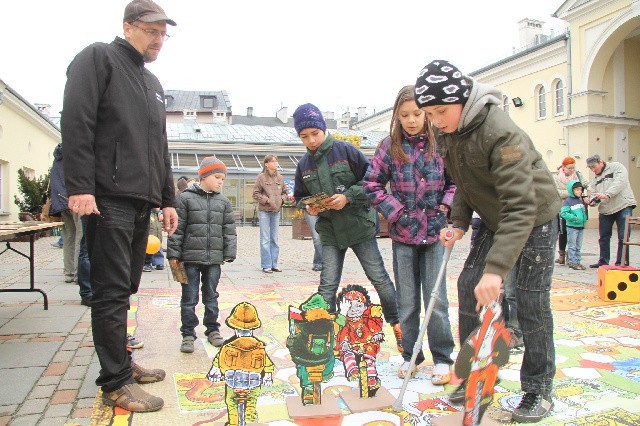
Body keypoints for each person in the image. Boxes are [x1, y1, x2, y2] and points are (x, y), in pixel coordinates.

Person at [414, 60, 561, 423]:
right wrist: (459, 222)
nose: (436, 121)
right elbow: (465, 181)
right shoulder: (450, 130)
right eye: (429, 114)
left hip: (534, 218)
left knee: (530, 302)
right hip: (494, 218)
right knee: (469, 285)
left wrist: (497, 270)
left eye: (441, 111)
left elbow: (521, 206)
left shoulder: (500, 132)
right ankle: (472, 376)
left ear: (463, 100)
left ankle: (538, 389)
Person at [61, 0, 178, 413]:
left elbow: (159, 147)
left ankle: (122, 363)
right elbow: (77, 121)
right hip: (106, 197)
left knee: (126, 287)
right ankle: (115, 383)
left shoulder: (153, 85)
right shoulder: (98, 58)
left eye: (164, 33)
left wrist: (166, 198)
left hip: (140, 201)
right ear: (128, 27)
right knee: (110, 292)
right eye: (151, 31)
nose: (159, 40)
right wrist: (79, 186)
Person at [292, 103, 403, 354]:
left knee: (380, 279)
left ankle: (399, 325)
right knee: (327, 285)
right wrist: (309, 207)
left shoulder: (346, 151)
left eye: (314, 134)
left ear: (323, 129)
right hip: (330, 231)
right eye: (304, 136)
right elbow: (299, 196)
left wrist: (348, 197)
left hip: (359, 227)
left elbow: (371, 182)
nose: (310, 140)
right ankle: (323, 335)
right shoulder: (303, 165)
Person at [363, 85, 455, 383]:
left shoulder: (441, 143)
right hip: (403, 235)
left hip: (435, 232)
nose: (412, 120)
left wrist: (444, 206)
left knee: (436, 298)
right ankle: (411, 355)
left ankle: (442, 357)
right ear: (396, 116)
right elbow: (372, 184)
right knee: (407, 301)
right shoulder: (389, 146)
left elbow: (456, 181)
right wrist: (397, 213)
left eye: (417, 113)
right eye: (405, 115)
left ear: (426, 113)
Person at [167, 157, 237, 353]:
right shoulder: (185, 198)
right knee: (189, 298)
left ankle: (213, 330)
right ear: (204, 176)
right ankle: (188, 334)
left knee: (211, 296)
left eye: (223, 178)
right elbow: (177, 229)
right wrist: (174, 255)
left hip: (214, 260)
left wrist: (229, 252)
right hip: (189, 259)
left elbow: (229, 229)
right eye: (217, 177)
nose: (220, 181)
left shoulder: (223, 202)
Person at [586, 154, 637, 267]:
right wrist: (592, 201)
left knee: (623, 236)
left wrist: (607, 194)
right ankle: (603, 261)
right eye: (590, 168)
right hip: (606, 210)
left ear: (601, 162)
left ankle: (621, 262)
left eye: (594, 166)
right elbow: (593, 194)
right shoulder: (594, 181)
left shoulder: (617, 167)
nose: (593, 170)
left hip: (623, 205)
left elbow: (620, 182)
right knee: (604, 237)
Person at [49, 143, 83, 283]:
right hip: (76, 198)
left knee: (69, 236)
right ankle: (78, 274)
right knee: (81, 237)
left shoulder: (58, 157)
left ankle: (69, 273)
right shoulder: (76, 151)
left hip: (61, 201)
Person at [252, 155, 287, 273]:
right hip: (264, 212)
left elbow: (285, 192)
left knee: (274, 239)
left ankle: (274, 264)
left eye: (276, 161)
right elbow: (255, 194)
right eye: (273, 161)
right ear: (266, 164)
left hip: (276, 211)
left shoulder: (280, 178)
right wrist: (267, 200)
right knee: (265, 239)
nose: (276, 163)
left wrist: (282, 199)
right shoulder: (261, 177)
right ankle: (266, 265)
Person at [553, 157, 588, 265]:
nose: (572, 170)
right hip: (564, 206)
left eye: (573, 167)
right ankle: (562, 255)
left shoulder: (578, 175)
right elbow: (556, 191)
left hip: (577, 206)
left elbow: (585, 184)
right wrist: (571, 192)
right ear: (563, 167)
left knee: (577, 232)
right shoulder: (556, 177)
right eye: (569, 168)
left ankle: (572, 256)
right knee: (563, 231)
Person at [560, 181, 588, 270]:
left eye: (580, 190)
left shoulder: (580, 201)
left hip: (580, 226)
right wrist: (574, 218)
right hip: (572, 227)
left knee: (578, 246)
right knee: (572, 245)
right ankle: (572, 262)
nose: (579, 191)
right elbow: (563, 213)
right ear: (572, 190)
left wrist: (584, 219)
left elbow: (583, 212)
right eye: (576, 190)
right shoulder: (568, 201)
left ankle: (577, 261)